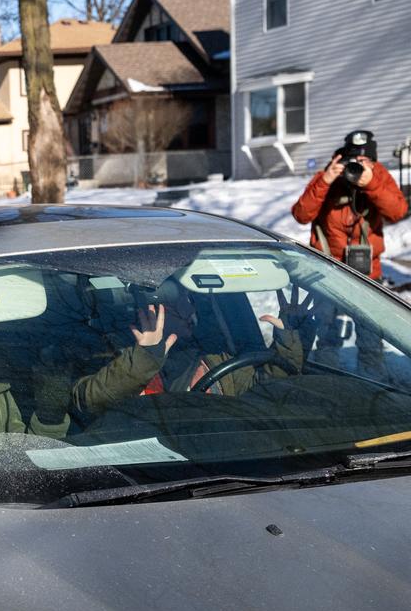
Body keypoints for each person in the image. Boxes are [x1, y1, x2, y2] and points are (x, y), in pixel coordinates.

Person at [72, 284, 307, 416]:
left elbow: (267, 391)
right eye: (176, 303)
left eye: (189, 299)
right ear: (151, 309)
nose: (188, 309)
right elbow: (91, 401)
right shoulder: (110, 353)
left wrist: (288, 340)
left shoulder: (212, 356)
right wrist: (146, 356)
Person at [291, 130, 407, 378]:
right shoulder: (329, 175)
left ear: (373, 162)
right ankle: (326, 382)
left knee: (370, 336)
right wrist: (326, 180)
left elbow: (397, 211)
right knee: (326, 334)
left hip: (367, 273)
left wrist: (372, 183)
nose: (357, 167)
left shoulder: (380, 177)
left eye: (365, 161)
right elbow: (301, 215)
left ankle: (373, 386)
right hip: (326, 271)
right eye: (353, 160)